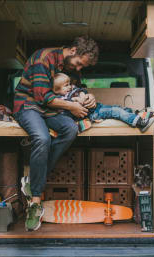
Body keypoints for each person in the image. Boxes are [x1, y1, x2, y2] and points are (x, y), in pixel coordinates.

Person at [13, 36, 99, 231]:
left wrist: (88, 97)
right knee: (42, 137)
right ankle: (35, 203)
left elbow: (76, 89)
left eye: (81, 68)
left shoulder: (71, 69)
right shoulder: (43, 58)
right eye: (78, 64)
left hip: (52, 110)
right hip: (28, 105)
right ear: (73, 50)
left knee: (70, 129)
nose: (78, 69)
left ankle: (32, 178)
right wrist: (72, 106)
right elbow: (42, 96)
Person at [52, 73, 154, 132]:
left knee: (116, 108)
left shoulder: (72, 89)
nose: (69, 86)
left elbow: (79, 90)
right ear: (57, 91)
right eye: (66, 85)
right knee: (115, 111)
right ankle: (139, 122)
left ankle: (135, 114)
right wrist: (77, 100)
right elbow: (68, 110)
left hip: (97, 107)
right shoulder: (60, 102)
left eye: (69, 83)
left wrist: (83, 94)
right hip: (93, 114)